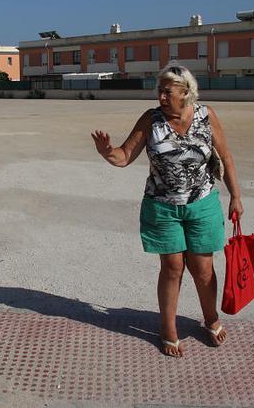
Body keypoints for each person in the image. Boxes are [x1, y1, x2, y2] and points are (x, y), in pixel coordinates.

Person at [91, 64, 243, 357]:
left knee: (204, 269)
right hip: (163, 208)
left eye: (167, 91)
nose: (160, 96)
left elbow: (226, 156)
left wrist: (236, 196)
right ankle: (168, 328)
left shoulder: (206, 115)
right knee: (172, 268)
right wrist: (107, 152)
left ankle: (210, 318)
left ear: (186, 93)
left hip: (203, 204)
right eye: (159, 91)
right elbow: (124, 156)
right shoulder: (151, 120)